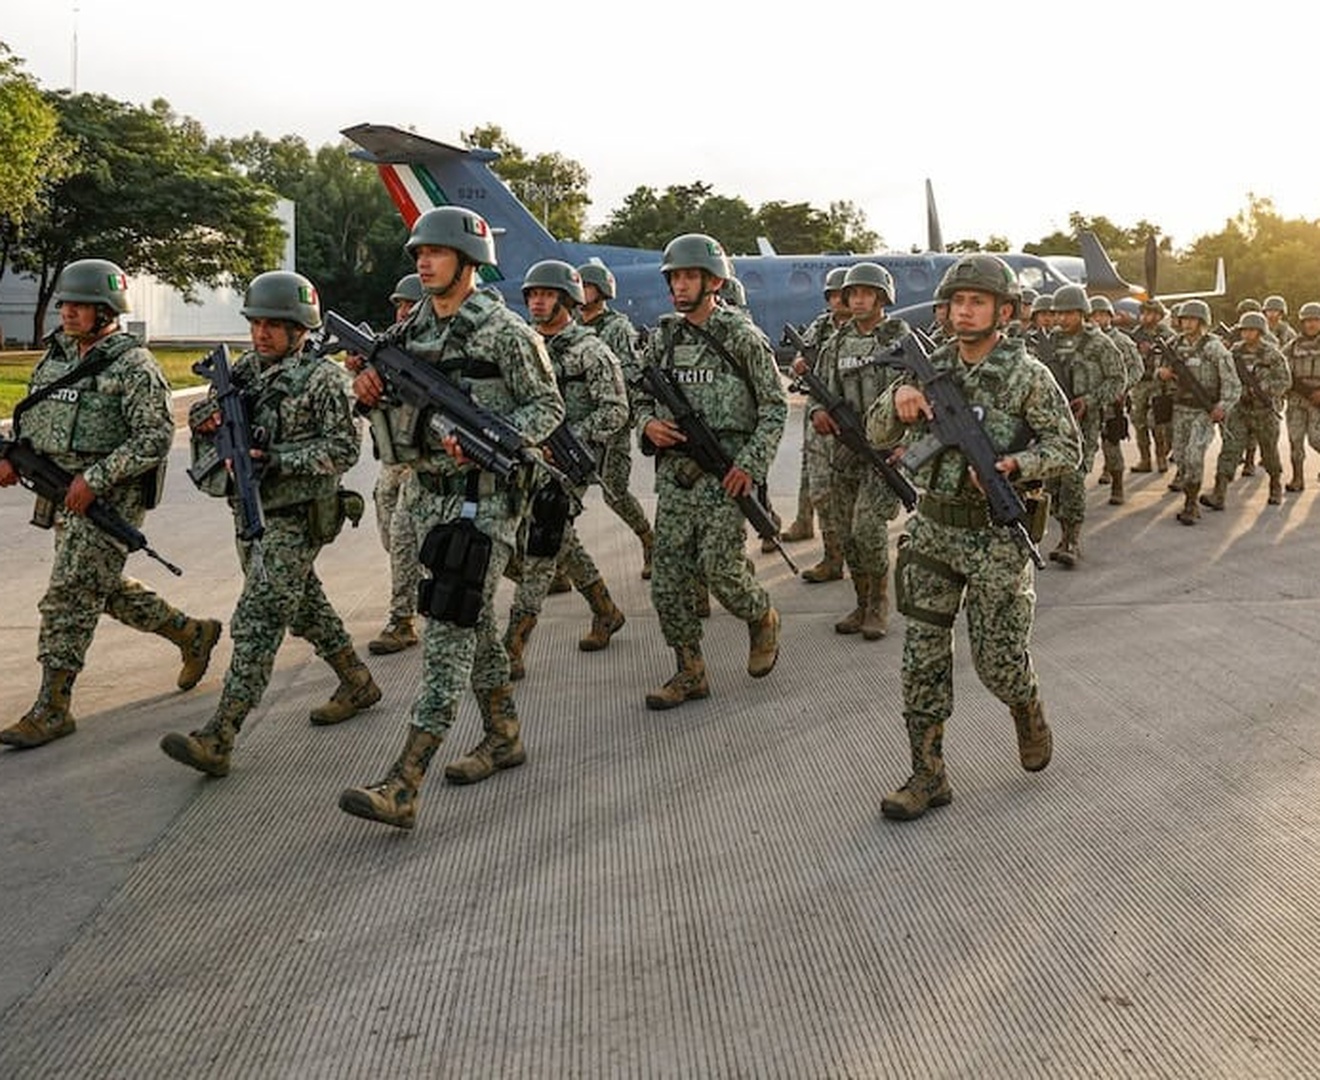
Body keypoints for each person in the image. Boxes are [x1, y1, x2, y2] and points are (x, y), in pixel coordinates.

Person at [338, 206, 563, 830]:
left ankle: (405, 782)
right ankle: (503, 734)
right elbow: (379, 389)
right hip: (426, 491)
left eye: (434, 253)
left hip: (485, 495)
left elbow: (548, 408)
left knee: (447, 630)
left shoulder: (505, 332)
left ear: (468, 263)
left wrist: (499, 438)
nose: (424, 262)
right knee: (474, 628)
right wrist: (365, 388)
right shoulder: (410, 333)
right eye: (418, 256)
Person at [866, 254, 1080, 821]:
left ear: (1003, 312)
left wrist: (1015, 465)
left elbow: (1068, 450)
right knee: (921, 659)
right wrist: (895, 402)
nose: (964, 311)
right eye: (957, 302)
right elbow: (873, 431)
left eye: (977, 302)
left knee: (998, 663)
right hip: (934, 530)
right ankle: (928, 774)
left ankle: (1026, 705)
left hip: (996, 543)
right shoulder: (927, 367)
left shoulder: (1027, 376)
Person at [160, 270, 376, 777]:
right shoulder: (242, 373)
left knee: (258, 618)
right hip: (249, 514)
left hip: (297, 517)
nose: (261, 334)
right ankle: (357, 680)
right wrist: (205, 420)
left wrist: (277, 459)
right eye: (256, 323)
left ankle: (221, 735)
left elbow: (343, 448)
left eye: (274, 326)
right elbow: (200, 418)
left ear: (301, 329)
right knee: (303, 608)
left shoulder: (325, 380)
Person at [0, 259, 221, 750]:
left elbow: (156, 436)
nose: (69, 312)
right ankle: (191, 634)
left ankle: (52, 708)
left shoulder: (133, 365)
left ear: (106, 312)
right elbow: (37, 413)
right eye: (66, 304)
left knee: (70, 595)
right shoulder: (57, 355)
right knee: (102, 587)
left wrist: (95, 480)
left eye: (81, 305)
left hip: (108, 498)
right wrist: (15, 457)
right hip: (58, 491)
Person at [634, 232, 786, 710]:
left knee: (721, 572)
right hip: (677, 476)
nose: (679, 286)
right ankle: (689, 671)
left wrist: (751, 464)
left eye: (689, 276)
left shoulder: (741, 337)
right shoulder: (662, 339)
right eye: (674, 277)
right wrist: (648, 424)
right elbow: (639, 394)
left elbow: (775, 407)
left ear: (713, 282)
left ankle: (762, 617)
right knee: (667, 582)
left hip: (726, 474)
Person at [503, 260, 628, 681]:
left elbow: (616, 410)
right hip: (526, 464)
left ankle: (514, 646)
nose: (537, 301)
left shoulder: (591, 351)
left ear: (567, 300)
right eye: (532, 294)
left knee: (542, 547)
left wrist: (570, 439)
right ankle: (606, 610)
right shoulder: (522, 345)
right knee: (563, 544)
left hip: (566, 468)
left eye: (546, 294)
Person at [808, 262, 909, 639]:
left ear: (882, 297)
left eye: (867, 293)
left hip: (884, 450)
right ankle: (861, 601)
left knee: (867, 528)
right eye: (853, 294)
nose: (859, 300)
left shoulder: (898, 337)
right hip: (845, 451)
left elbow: (919, 388)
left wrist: (906, 443)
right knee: (846, 533)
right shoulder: (836, 343)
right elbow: (820, 387)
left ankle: (880, 604)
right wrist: (819, 413)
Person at [577, 260, 656, 579]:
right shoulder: (572, 327)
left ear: (602, 291)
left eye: (587, 286)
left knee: (615, 493)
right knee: (564, 496)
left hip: (612, 425)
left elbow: (629, 374)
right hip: (579, 424)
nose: (581, 292)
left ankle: (650, 541)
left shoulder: (617, 328)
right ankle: (556, 561)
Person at [1037, 284, 1125, 566]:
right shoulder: (1049, 342)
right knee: (1053, 483)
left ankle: (1071, 540)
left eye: (1068, 313)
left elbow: (1117, 379)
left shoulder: (1100, 344)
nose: (1061, 319)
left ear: (1082, 313)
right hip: (1052, 422)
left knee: (1073, 479)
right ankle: (1062, 529)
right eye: (1058, 313)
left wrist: (1089, 400)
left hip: (1084, 424)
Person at [367, 273, 424, 655]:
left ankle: (403, 619)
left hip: (419, 458)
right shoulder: (391, 344)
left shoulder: (426, 345)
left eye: (408, 304)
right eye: (398, 304)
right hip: (391, 458)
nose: (401, 311)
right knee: (393, 537)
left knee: (406, 536)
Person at [1154, 298, 1240, 524]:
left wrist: (1223, 406)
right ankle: (1189, 492)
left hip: (1203, 410)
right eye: (1184, 319)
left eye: (1192, 319)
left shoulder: (1214, 347)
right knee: (1181, 457)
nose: (1187, 323)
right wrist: (1161, 373)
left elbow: (1232, 382)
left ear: (1202, 321)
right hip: (1180, 409)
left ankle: (1191, 504)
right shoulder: (1174, 344)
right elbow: (1159, 368)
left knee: (1194, 455)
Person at [792, 266, 851, 583]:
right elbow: (802, 358)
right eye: (832, 295)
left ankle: (861, 559)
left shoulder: (865, 331)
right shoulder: (821, 326)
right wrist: (800, 365)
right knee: (821, 490)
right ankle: (833, 558)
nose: (837, 300)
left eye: (842, 293)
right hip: (820, 414)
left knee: (854, 496)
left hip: (853, 420)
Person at [1202, 311, 1289, 509]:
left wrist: (1262, 389)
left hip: (1264, 411)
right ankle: (1219, 493)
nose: (1247, 334)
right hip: (1239, 410)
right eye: (1244, 330)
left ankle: (1275, 485)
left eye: (1251, 330)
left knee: (1269, 453)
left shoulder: (1272, 354)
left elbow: (1285, 381)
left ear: (1260, 332)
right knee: (1229, 450)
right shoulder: (1234, 352)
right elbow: (1223, 375)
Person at [1089, 295, 1143, 505]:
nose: (1098, 319)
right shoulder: (1084, 341)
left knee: (1111, 445)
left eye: (1102, 315)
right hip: (1088, 402)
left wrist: (1122, 387)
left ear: (1110, 317)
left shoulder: (1121, 341)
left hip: (1112, 402)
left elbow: (1137, 368)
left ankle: (1117, 486)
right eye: (1094, 315)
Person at [1128, 298, 1177, 474]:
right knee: (1139, 421)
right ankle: (1145, 459)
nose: (1145, 316)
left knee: (1157, 421)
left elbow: (1175, 358)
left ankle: (1161, 457)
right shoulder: (1135, 334)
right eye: (1144, 312)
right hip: (1140, 383)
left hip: (1159, 383)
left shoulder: (1167, 335)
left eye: (1150, 313)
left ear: (1158, 316)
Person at [1281, 301, 1320, 492]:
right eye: (1307, 321)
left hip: (1319, 402)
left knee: (1316, 439)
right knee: (1295, 440)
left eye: (1315, 320)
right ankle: (1297, 479)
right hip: (1297, 400)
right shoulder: (1292, 346)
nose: (1311, 324)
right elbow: (1282, 371)